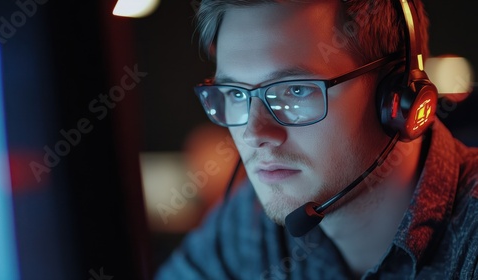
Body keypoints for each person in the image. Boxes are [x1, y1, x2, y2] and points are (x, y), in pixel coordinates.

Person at [155, 0, 478, 279]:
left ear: (397, 98)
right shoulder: (250, 223)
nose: (254, 134)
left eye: (296, 91)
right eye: (236, 94)